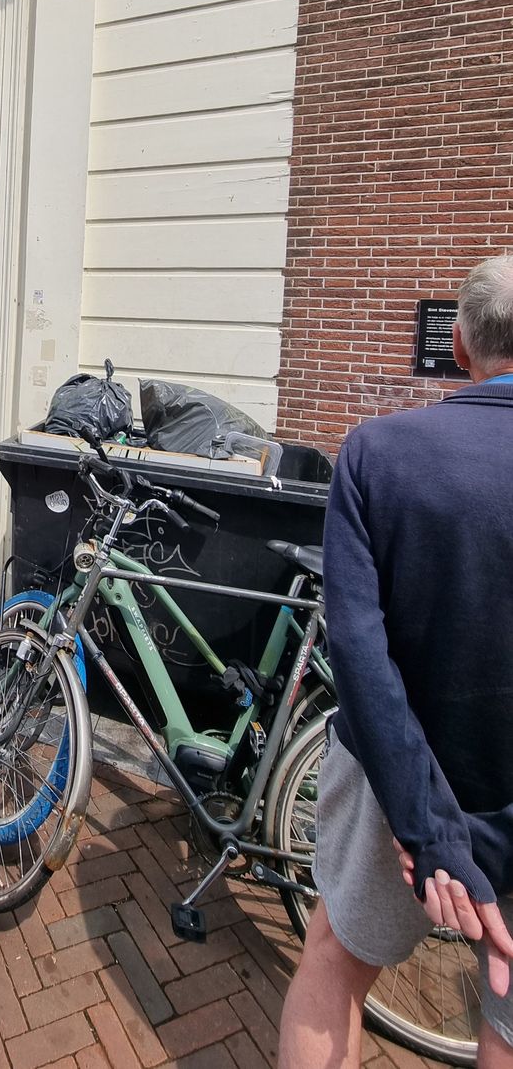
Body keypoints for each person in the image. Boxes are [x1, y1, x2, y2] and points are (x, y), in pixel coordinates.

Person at [279, 254, 513, 1069]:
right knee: (508, 1016)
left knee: (335, 959)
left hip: (398, 786)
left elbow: (361, 656)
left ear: (458, 344)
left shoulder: (379, 452)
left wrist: (431, 827)